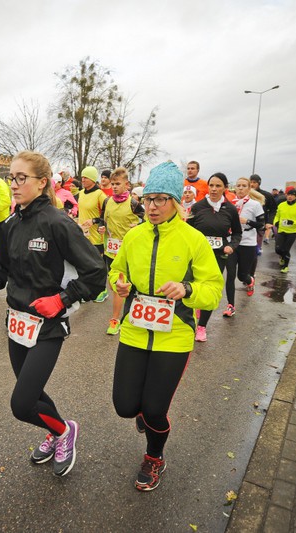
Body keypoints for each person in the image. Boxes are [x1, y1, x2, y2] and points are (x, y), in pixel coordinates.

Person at [0, 151, 106, 477]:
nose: (13, 184)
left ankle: (65, 431)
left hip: (48, 327)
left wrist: (62, 299)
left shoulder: (58, 223)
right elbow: (1, 266)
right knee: (33, 395)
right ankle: (57, 432)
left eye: (20, 178)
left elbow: (96, 272)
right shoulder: (12, 223)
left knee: (21, 404)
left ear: (42, 182)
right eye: (10, 177)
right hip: (17, 324)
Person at [110, 162, 223, 491]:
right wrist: (120, 283)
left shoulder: (194, 240)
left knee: (156, 409)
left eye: (161, 199)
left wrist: (187, 289)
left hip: (174, 337)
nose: (153, 207)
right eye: (148, 199)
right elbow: (118, 272)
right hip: (134, 330)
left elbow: (213, 291)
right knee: (126, 407)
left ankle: (154, 457)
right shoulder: (133, 236)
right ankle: (144, 416)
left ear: (176, 202)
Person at [187, 172, 242, 341]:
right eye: (211, 185)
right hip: (197, 255)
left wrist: (231, 246)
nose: (214, 189)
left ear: (225, 188)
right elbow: (187, 232)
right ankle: (190, 320)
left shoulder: (230, 209)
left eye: (218, 186)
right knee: (193, 286)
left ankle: (202, 326)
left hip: (218, 256)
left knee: (210, 290)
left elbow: (238, 233)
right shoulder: (198, 207)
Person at [100, 167, 144, 335]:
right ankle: (127, 312)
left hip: (128, 252)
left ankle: (116, 319)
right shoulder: (107, 201)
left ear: (127, 185)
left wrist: (138, 225)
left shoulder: (133, 204)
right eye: (112, 184)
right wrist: (102, 227)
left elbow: (147, 219)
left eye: (118, 184)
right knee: (114, 287)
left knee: (120, 286)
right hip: (110, 250)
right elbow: (103, 219)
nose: (114, 187)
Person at [77, 165, 109, 303]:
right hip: (83, 235)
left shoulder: (100, 195)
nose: (82, 179)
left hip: (97, 236)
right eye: (82, 177)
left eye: (86, 177)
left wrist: (95, 220)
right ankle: (87, 290)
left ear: (92, 179)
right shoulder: (81, 193)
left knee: (98, 265)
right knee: (84, 264)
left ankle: (103, 291)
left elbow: (109, 215)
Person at [232, 177, 265, 296]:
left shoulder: (255, 204)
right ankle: (230, 305)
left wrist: (247, 221)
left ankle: (250, 280)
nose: (240, 188)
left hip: (247, 243)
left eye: (244, 186)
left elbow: (262, 225)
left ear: (249, 189)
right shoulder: (230, 203)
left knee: (241, 276)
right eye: (238, 185)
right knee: (230, 275)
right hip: (232, 243)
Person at [273, 187, 296, 274]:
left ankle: (285, 266)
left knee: (286, 249)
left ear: (295, 196)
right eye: (288, 195)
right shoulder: (281, 205)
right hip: (282, 230)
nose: (290, 197)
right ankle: (283, 257)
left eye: (292, 195)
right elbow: (277, 215)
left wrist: (294, 222)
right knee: (278, 249)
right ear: (286, 195)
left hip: (293, 231)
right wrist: (276, 222)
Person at [249, 175, 277, 250]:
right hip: (246, 224)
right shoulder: (245, 194)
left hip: (260, 224)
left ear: (259, 183)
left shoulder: (267, 195)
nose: (252, 184)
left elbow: (273, 209)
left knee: (256, 249)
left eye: (254, 182)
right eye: (250, 182)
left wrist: (269, 222)